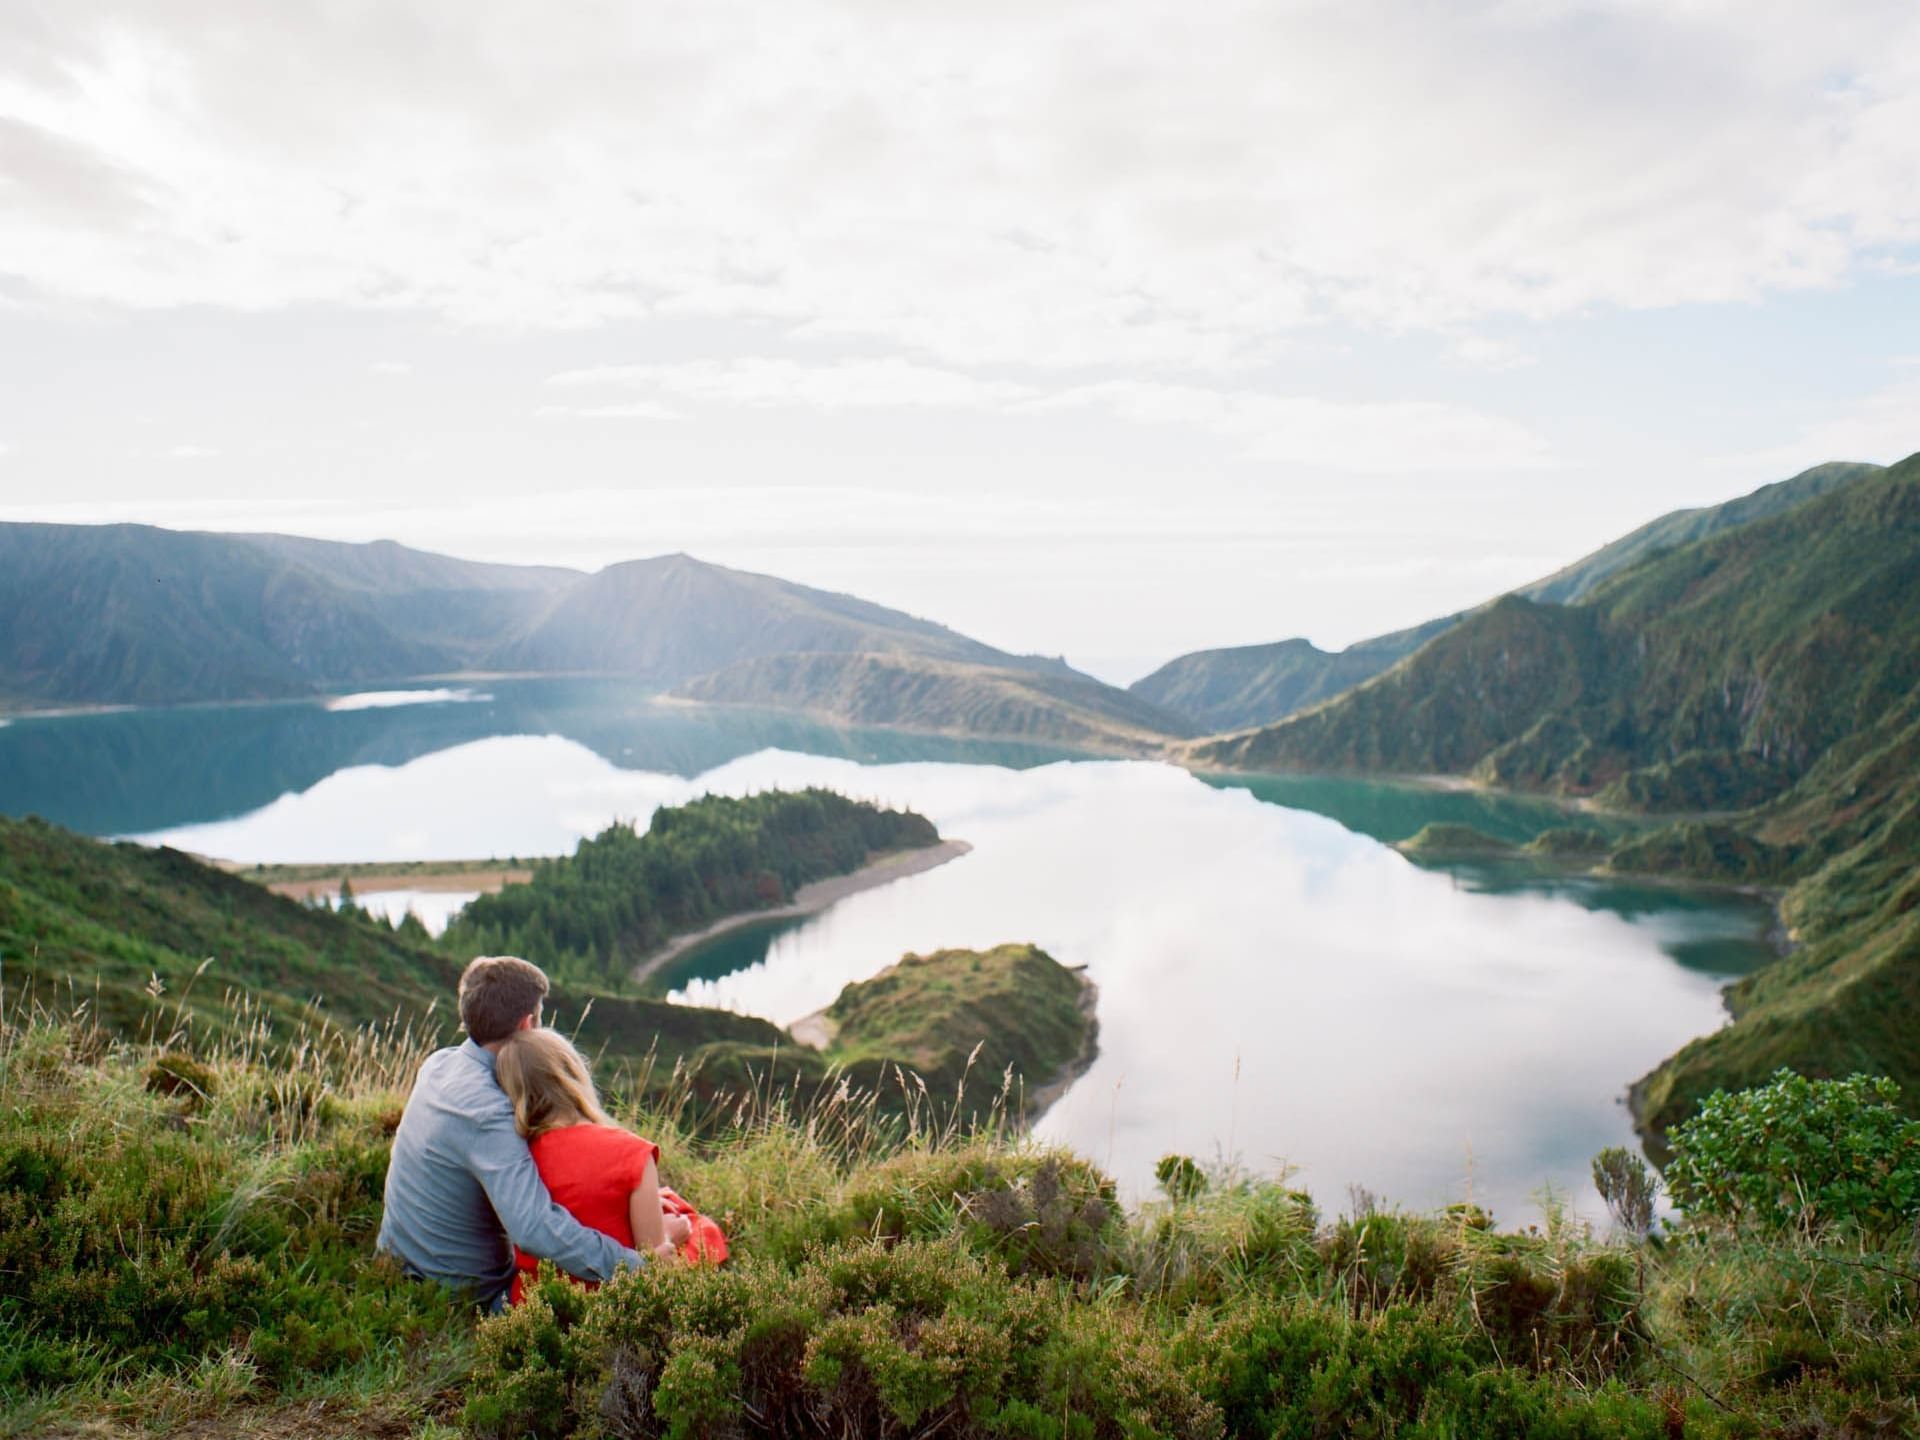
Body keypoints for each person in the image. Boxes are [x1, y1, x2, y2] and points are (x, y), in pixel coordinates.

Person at [375, 955, 647, 1309]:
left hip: (400, 1262)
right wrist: (639, 1269)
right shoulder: (488, 1113)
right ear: (526, 1023)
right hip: (463, 1296)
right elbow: (533, 1229)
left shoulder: (438, 1064)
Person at [494, 1025, 724, 1306]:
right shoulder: (631, 1151)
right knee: (702, 1230)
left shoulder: (509, 1161)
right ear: (572, 1074)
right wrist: (670, 1235)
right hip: (612, 1305)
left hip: (533, 1309)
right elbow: (654, 1269)